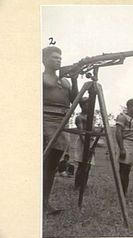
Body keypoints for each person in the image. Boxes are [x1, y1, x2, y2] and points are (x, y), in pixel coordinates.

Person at [43, 46, 78, 215]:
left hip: (62, 122)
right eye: (54, 57)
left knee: (51, 166)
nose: (58, 60)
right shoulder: (40, 78)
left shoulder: (65, 82)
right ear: (44, 60)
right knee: (40, 163)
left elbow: (74, 100)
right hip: (44, 120)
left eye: (60, 58)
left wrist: (75, 79)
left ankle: (45, 202)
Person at [115, 99, 133, 196]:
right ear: (129, 107)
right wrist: (122, 148)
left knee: (127, 170)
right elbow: (118, 133)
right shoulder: (122, 117)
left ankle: (124, 192)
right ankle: (121, 193)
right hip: (125, 143)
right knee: (123, 169)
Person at [74, 97, 96, 189]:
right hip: (82, 142)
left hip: (90, 141)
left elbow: (93, 130)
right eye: (86, 104)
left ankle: (84, 184)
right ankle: (77, 184)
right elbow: (81, 132)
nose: (89, 106)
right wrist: (85, 144)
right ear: (82, 106)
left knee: (88, 164)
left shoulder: (92, 117)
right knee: (82, 164)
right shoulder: (80, 117)